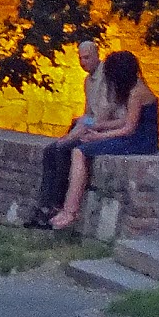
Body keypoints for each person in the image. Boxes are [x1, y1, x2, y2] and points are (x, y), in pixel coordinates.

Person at [50, 50, 159, 230]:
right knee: (79, 146)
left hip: (140, 141)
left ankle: (70, 210)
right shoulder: (134, 88)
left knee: (80, 152)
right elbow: (126, 120)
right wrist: (99, 126)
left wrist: (98, 136)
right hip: (133, 137)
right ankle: (66, 208)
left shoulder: (136, 92)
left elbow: (129, 128)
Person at [25, 39, 111, 229]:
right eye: (80, 58)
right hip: (89, 125)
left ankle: (55, 205)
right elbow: (88, 112)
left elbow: (102, 115)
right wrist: (76, 128)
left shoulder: (105, 79)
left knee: (63, 150)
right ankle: (44, 204)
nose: (83, 62)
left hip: (102, 129)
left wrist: (75, 133)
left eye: (87, 58)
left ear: (97, 56)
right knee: (50, 150)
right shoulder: (88, 81)